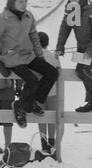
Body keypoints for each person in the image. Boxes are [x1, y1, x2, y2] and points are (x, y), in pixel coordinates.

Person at [0, 0, 59, 129]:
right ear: (12, 3)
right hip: (11, 57)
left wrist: (40, 56)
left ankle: (32, 102)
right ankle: (20, 106)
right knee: (32, 81)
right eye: (20, 2)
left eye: (25, 1)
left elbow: (34, 36)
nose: (24, 4)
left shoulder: (28, 16)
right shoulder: (3, 18)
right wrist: (1, 62)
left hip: (28, 55)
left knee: (52, 73)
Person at [37, 32, 60, 155]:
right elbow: (59, 72)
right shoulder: (53, 57)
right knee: (51, 118)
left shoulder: (34, 58)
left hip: (39, 93)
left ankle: (44, 143)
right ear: (47, 43)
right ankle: (52, 142)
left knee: (41, 118)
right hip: (53, 92)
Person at [0, 78, 14, 154]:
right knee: (8, 121)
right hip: (8, 93)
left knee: (8, 120)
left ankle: (7, 146)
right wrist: (19, 87)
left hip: (8, 93)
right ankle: (7, 146)